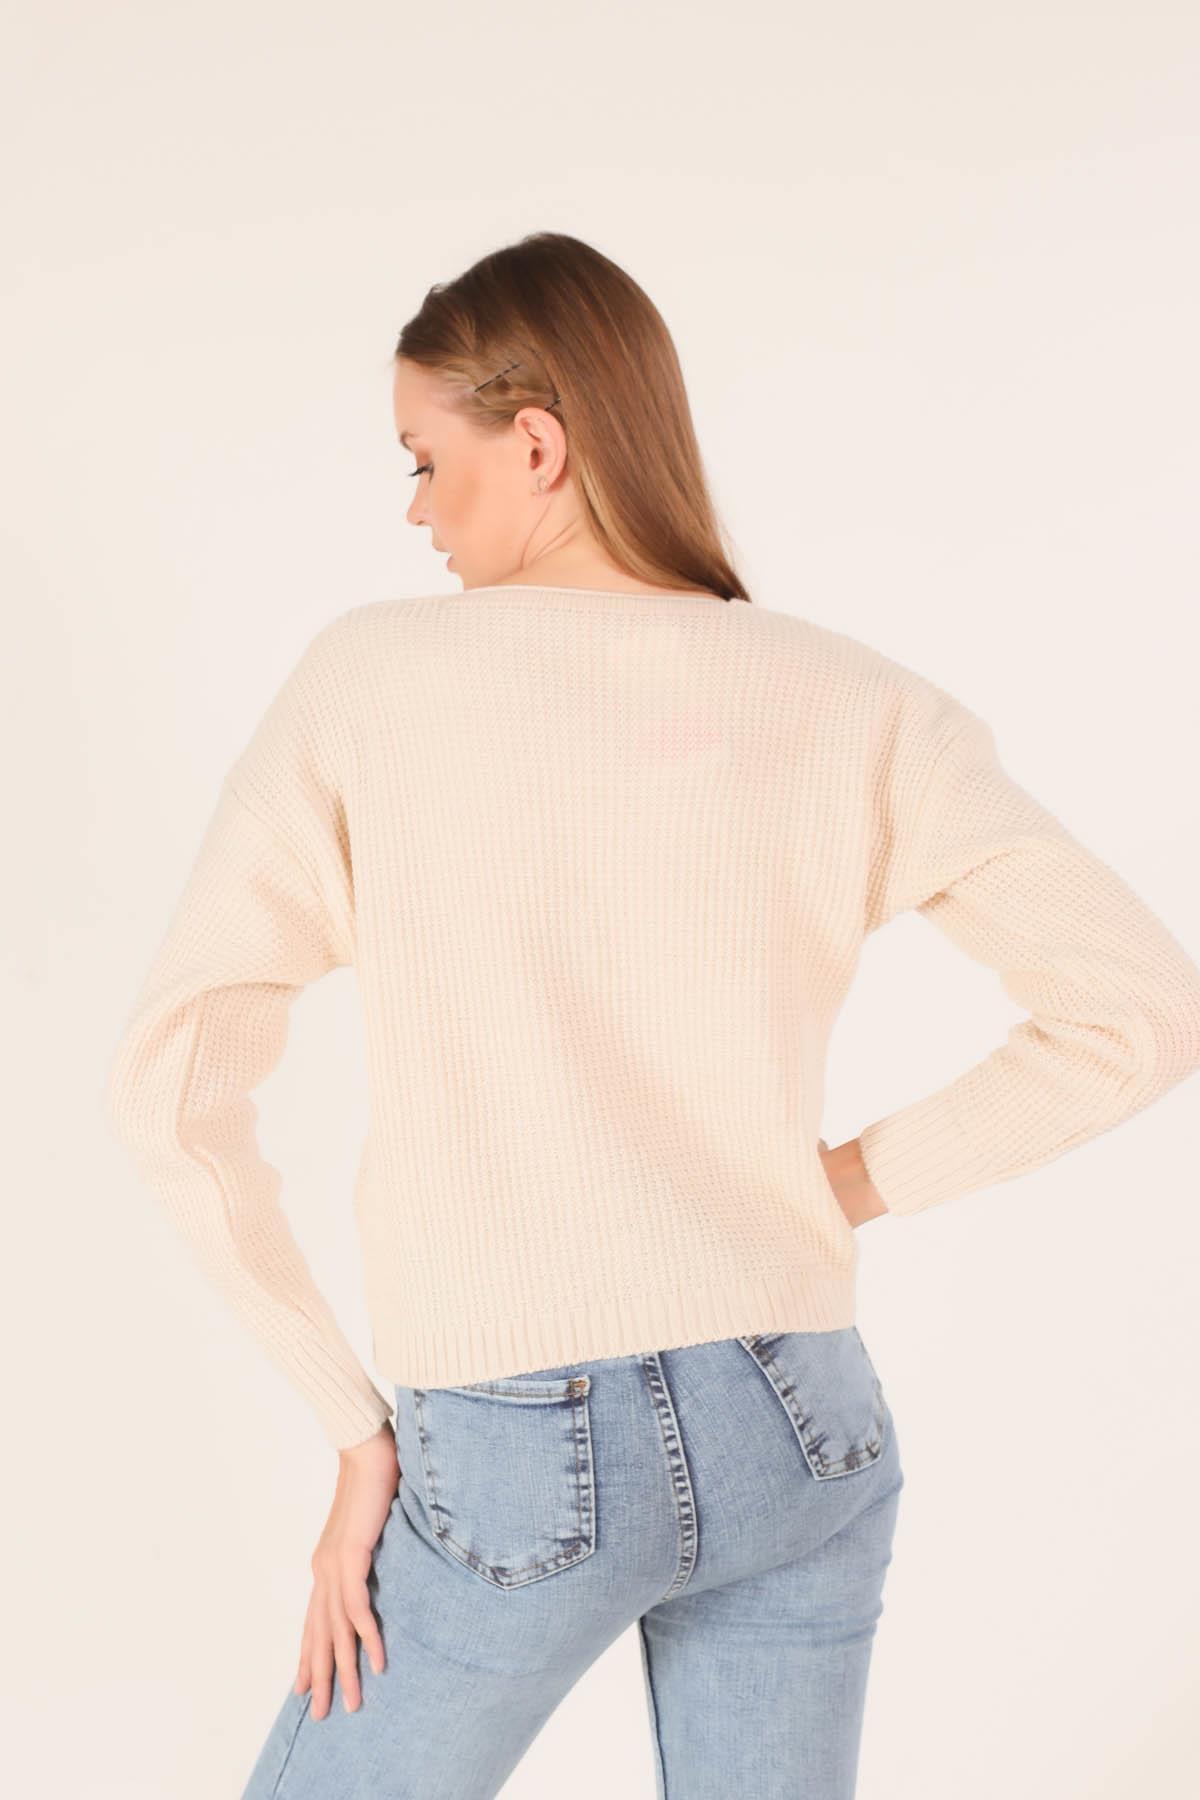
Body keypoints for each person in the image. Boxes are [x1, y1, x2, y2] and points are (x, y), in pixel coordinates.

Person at [104, 231, 1200, 1800]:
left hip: (516, 1446)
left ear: (536, 445)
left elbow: (171, 1082)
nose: (417, 510)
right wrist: (845, 1185)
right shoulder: (854, 700)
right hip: (802, 1422)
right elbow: (1143, 1011)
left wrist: (354, 1432)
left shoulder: (374, 683)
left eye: (424, 461)